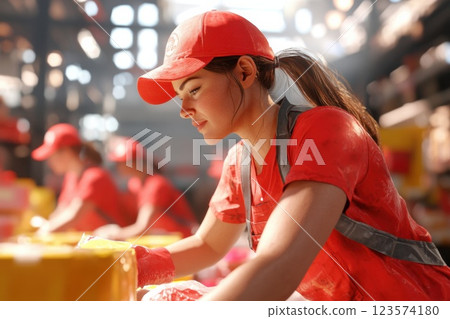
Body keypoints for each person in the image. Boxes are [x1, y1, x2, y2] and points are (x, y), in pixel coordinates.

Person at [132, 10, 450, 300]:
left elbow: (278, 265)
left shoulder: (327, 130)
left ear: (244, 72)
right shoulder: (240, 163)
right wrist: (131, 264)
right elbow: (209, 244)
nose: (184, 110)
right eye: (179, 96)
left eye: (194, 89)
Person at [94, 137, 198, 240]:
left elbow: (142, 228)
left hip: (184, 239)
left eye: (122, 162)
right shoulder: (134, 184)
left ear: (136, 163)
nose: (118, 167)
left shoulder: (156, 184)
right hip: (164, 239)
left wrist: (111, 235)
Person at [32, 123, 129, 233]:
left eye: (51, 156)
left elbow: (73, 216)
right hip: (89, 245)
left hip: (111, 245)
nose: (49, 163)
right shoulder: (71, 177)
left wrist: (42, 233)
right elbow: (61, 212)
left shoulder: (95, 177)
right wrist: (46, 226)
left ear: (66, 152)